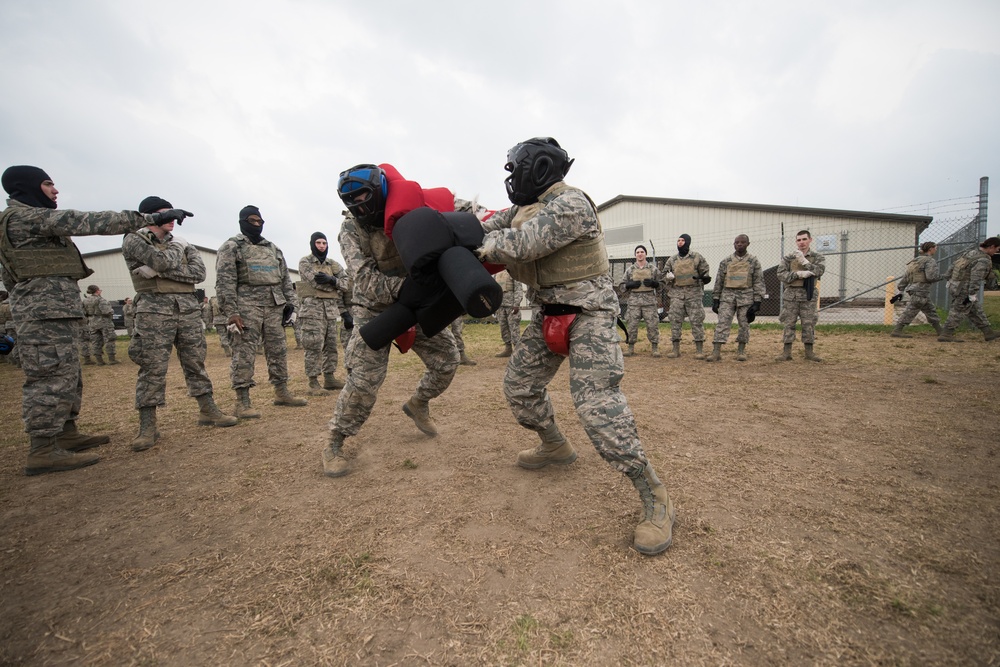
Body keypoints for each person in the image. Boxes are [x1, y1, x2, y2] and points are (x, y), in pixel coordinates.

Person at [476, 137, 675, 556]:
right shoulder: (522, 209)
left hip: (590, 313)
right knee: (519, 386)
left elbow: (521, 244)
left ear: (541, 168)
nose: (511, 180)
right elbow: (490, 225)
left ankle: (654, 495)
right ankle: (554, 444)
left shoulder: (571, 204)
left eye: (516, 171)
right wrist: (460, 226)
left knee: (596, 406)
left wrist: (482, 245)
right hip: (549, 312)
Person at [0, 164, 191, 475]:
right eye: (48, 184)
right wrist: (151, 218)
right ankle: (43, 449)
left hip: (52, 312)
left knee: (67, 374)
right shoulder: (25, 217)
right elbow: (87, 221)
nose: (55, 190)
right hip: (42, 314)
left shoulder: (26, 222)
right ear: (25, 187)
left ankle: (66, 432)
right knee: (48, 378)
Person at [321, 166, 462, 478]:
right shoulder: (351, 230)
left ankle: (418, 403)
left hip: (419, 302)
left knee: (447, 362)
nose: (358, 205)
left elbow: (456, 210)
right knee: (363, 382)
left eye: (363, 196)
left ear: (381, 191)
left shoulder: (412, 206)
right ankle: (335, 440)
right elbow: (363, 279)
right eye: (351, 200)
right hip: (374, 309)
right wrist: (405, 289)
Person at [123, 196, 237, 451]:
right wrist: (169, 261)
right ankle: (147, 426)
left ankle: (208, 410)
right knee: (152, 367)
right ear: (151, 216)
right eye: (167, 214)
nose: (173, 219)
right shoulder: (134, 239)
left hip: (187, 309)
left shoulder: (182, 242)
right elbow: (164, 262)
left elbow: (199, 273)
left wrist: (158, 269)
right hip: (153, 310)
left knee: (195, 361)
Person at [216, 205, 307, 417]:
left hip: (274, 307)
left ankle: (282, 392)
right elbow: (225, 282)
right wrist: (231, 312)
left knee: (278, 350)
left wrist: (290, 304)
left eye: (259, 221)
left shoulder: (273, 249)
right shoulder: (231, 247)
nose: (256, 225)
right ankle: (242, 401)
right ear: (242, 222)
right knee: (244, 353)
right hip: (246, 308)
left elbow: (285, 279)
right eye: (252, 221)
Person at [297, 231, 351, 395]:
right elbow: (316, 282)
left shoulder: (333, 264)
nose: (322, 246)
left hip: (330, 312)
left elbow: (346, 283)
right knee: (313, 346)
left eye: (324, 243)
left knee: (331, 346)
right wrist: (334, 282)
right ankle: (313, 382)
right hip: (312, 311)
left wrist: (333, 280)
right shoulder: (305, 262)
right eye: (319, 243)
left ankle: (329, 377)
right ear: (313, 244)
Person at [707, 234, 764, 362]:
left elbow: (758, 281)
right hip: (727, 297)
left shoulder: (753, 261)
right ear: (734, 244)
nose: (739, 244)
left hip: (746, 298)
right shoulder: (726, 261)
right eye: (737, 242)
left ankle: (741, 350)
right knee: (722, 323)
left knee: (744, 324)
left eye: (742, 242)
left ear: (748, 244)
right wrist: (716, 299)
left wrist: (757, 302)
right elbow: (719, 281)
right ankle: (716, 351)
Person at [776, 230, 826, 361]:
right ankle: (786, 353)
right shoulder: (789, 257)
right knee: (788, 322)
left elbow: (819, 271)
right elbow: (780, 274)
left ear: (810, 240)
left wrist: (805, 262)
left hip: (808, 295)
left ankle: (809, 353)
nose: (801, 242)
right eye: (799, 240)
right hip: (791, 294)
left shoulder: (817, 257)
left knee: (808, 323)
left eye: (804, 239)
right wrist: (797, 275)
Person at [938, 237, 1000, 342]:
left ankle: (988, 332)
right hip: (964, 289)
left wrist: (949, 278)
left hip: (955, 285)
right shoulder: (983, 260)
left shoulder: (970, 253)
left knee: (975, 310)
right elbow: (976, 278)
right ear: (991, 247)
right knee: (958, 310)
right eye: (997, 249)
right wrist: (972, 293)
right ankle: (946, 334)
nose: (996, 252)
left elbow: (954, 265)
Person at [662, 234, 712, 358]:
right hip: (676, 295)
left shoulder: (696, 257)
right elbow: (664, 275)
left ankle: (699, 350)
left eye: (682, 240)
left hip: (693, 295)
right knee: (675, 321)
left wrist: (704, 278)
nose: (680, 242)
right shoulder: (672, 260)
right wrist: (667, 277)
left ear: (688, 242)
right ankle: (675, 349)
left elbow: (705, 272)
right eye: (678, 240)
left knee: (696, 321)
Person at [890, 241, 943, 338]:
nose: (936, 250)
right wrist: (942, 276)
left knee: (931, 311)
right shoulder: (930, 261)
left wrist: (901, 289)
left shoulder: (915, 261)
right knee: (911, 310)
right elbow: (931, 277)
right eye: (935, 248)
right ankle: (897, 330)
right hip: (921, 290)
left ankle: (941, 332)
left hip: (916, 290)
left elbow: (906, 277)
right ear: (930, 249)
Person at [620, 244, 663, 357]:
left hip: (649, 302)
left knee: (652, 325)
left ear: (646, 254)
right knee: (632, 325)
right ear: (635, 255)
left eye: (642, 252)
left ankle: (654, 348)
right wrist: (629, 285)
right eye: (638, 252)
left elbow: (662, 284)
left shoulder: (653, 269)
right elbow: (621, 286)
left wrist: (655, 284)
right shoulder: (630, 270)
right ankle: (630, 348)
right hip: (634, 303)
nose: (640, 254)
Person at [83, 284, 118, 365]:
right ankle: (112, 359)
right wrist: (111, 312)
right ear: (97, 291)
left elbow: (84, 312)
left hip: (92, 322)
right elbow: (107, 311)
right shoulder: (101, 300)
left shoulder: (85, 300)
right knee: (109, 339)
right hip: (104, 322)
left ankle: (99, 361)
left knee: (95, 341)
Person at [493, 269, 523, 357]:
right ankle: (508, 349)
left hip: (511, 306)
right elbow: (494, 290)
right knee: (504, 328)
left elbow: (518, 289)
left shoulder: (513, 272)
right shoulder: (497, 274)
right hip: (500, 306)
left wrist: (516, 304)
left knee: (514, 329)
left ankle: (518, 351)